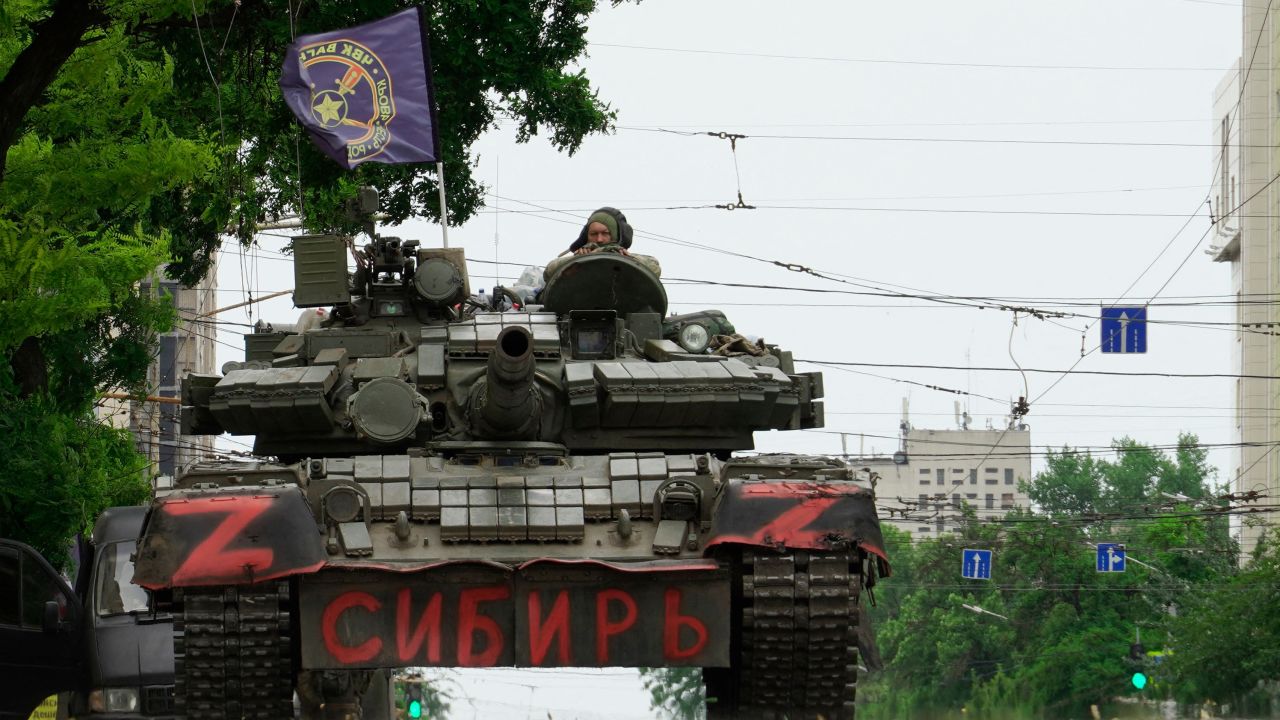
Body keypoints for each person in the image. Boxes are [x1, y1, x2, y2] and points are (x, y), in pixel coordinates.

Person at [544, 207, 660, 279]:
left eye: (605, 233)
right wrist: (578, 259)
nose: (599, 239)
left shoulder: (627, 258)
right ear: (586, 236)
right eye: (594, 234)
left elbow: (655, 267)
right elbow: (549, 271)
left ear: (616, 235)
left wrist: (616, 256)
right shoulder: (577, 259)